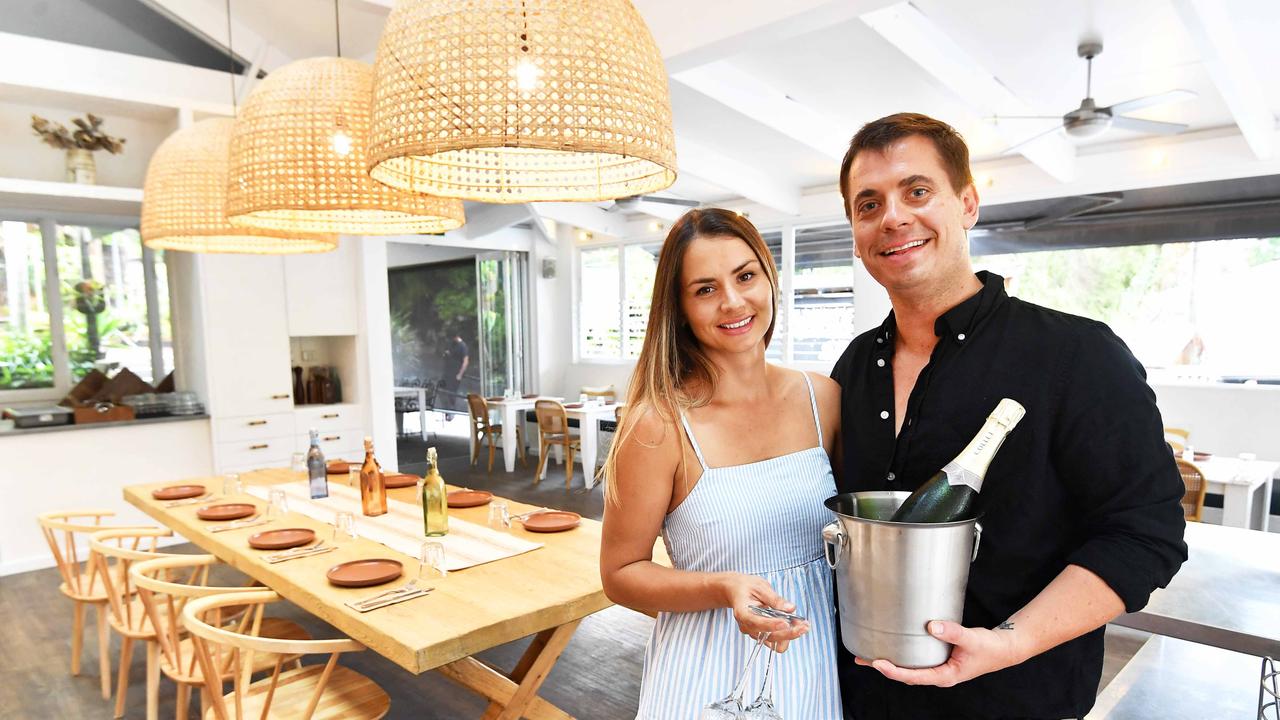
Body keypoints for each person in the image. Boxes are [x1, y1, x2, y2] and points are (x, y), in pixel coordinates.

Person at [829, 112, 1188, 719]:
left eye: (917, 191)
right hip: (861, 697)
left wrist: (1011, 642)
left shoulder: (1077, 353)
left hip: (1016, 698)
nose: (892, 217)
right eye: (869, 205)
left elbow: (1144, 534)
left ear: (967, 203)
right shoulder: (856, 363)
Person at [600, 208, 843, 719]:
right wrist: (722, 587)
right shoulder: (659, 424)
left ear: (769, 280)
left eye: (745, 276)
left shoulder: (822, 398)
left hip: (814, 658)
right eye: (705, 289)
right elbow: (620, 574)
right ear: (680, 308)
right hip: (708, 669)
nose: (733, 301)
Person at [441, 329, 469, 395]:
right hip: (447, 372)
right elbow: (445, 354)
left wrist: (460, 374)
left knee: (451, 393)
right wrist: (445, 354)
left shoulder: (463, 346)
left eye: (451, 338)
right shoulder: (451, 344)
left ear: (456, 337)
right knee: (442, 391)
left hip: (455, 374)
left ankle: (451, 404)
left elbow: (466, 361)